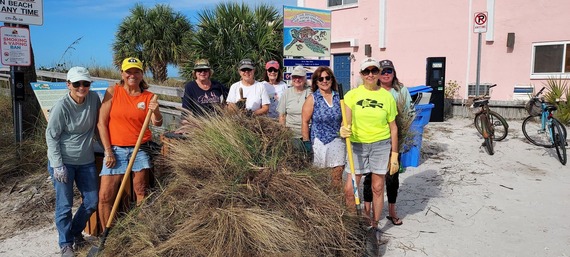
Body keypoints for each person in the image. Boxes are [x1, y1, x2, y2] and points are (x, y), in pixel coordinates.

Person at [97, 57, 163, 228]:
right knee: (105, 196)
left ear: (141, 74)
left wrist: (156, 112)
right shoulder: (113, 91)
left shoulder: (149, 97)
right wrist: (108, 151)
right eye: (129, 71)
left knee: (141, 191)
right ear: (122, 73)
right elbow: (101, 123)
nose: (132, 75)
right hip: (115, 150)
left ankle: (140, 232)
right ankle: (107, 235)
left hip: (140, 149)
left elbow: (157, 123)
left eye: (136, 71)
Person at [46, 67, 101, 257]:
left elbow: (99, 126)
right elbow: (51, 136)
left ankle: (75, 232)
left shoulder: (94, 99)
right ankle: (66, 243)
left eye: (85, 83)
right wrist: (57, 165)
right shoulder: (62, 106)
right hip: (64, 162)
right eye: (77, 83)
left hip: (86, 160)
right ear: (68, 84)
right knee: (64, 205)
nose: (81, 87)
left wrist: (108, 148)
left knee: (92, 201)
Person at [340, 58, 399, 229]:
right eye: (367, 71)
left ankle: (374, 225)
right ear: (361, 74)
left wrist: (394, 155)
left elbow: (393, 128)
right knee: (350, 190)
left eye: (374, 71)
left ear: (379, 73)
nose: (370, 74)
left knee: (378, 187)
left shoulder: (387, 97)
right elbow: (346, 122)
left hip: (380, 145)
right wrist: (343, 130)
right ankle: (354, 225)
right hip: (357, 146)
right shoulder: (352, 95)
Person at [301, 66, 345, 190]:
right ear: (316, 82)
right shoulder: (313, 98)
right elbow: (305, 121)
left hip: (337, 139)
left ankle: (336, 200)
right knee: (320, 175)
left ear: (332, 79)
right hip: (319, 141)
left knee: (337, 175)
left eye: (327, 78)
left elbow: (345, 118)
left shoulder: (339, 97)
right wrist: (306, 142)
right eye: (320, 79)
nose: (324, 81)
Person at [277, 65, 311, 141]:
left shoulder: (310, 93)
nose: (297, 79)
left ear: (305, 79)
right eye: (295, 77)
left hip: (309, 133)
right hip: (291, 134)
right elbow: (282, 116)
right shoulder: (286, 93)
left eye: (300, 77)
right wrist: (284, 133)